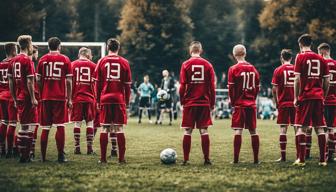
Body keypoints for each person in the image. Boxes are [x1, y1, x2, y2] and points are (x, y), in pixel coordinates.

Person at [293, 34, 330, 167]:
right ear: (311, 44)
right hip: (318, 96)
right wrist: (323, 96)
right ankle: (322, 160)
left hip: (306, 96)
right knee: (319, 128)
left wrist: (296, 97)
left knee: (302, 128)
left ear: (300, 44)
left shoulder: (300, 56)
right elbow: (327, 80)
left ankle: (301, 160)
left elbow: (297, 79)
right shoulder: (321, 58)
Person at [36, 37, 73, 163]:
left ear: (48, 46)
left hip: (46, 97)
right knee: (60, 126)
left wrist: (42, 91)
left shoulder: (42, 59)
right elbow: (68, 81)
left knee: (45, 127)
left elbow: (38, 80)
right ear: (59, 46)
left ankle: (43, 157)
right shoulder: (65, 59)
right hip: (60, 97)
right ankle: (60, 156)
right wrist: (69, 98)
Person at [95, 38, 131, 163]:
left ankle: (103, 159)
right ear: (118, 48)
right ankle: (121, 159)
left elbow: (97, 85)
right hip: (119, 99)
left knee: (104, 128)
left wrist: (97, 101)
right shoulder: (125, 62)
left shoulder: (101, 61)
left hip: (105, 98)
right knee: (119, 128)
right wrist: (126, 102)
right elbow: (127, 85)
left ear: (107, 48)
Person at [179, 41, 215, 165]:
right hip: (204, 102)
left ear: (190, 51)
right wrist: (212, 103)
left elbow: (182, 86)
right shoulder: (208, 65)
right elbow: (212, 87)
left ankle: (185, 159)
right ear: (200, 50)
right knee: (204, 130)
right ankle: (206, 159)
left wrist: (182, 100)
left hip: (190, 102)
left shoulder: (185, 64)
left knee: (187, 131)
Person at [8, 35, 38, 163]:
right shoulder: (27, 61)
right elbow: (30, 82)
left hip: (19, 96)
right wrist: (33, 98)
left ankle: (24, 154)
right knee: (28, 126)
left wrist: (14, 98)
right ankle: (25, 155)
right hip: (26, 97)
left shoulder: (13, 60)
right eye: (31, 44)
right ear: (28, 45)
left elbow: (11, 81)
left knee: (23, 125)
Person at [228, 44, 260, 164]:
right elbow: (257, 87)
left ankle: (236, 160)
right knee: (253, 131)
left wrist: (232, 102)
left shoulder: (233, 69)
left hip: (239, 104)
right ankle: (256, 160)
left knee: (238, 130)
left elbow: (231, 89)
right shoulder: (253, 68)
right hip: (251, 104)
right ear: (245, 54)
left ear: (234, 55)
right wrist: (253, 99)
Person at [71, 47, 96, 155]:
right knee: (90, 123)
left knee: (77, 123)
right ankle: (89, 148)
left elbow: (69, 82)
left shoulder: (72, 65)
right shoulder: (94, 66)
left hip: (76, 98)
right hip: (90, 98)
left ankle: (77, 147)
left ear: (79, 54)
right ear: (87, 54)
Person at [271, 49, 296, 162]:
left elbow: (274, 89)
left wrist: (276, 102)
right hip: (296, 103)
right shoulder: (297, 68)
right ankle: (299, 155)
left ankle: (283, 156)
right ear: (291, 58)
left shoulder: (278, 70)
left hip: (284, 103)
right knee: (298, 128)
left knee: (283, 129)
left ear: (281, 58)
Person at [318, 43, 336, 162]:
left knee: (325, 129)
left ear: (322, 52)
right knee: (333, 128)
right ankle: (331, 154)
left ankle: (326, 154)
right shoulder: (335, 63)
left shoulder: (321, 64)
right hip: (335, 100)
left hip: (325, 100)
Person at [0, 43, 17, 158]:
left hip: (1, 96)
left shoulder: (1, 64)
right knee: (13, 123)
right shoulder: (15, 63)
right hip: (12, 96)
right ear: (12, 50)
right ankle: (10, 150)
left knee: (3, 122)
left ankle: (2, 148)